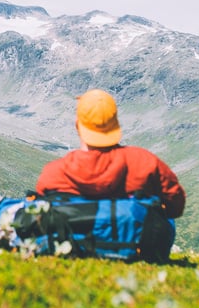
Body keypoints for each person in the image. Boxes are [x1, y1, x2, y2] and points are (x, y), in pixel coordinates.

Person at [36, 89, 186, 220]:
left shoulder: (53, 173)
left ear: (77, 125)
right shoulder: (145, 162)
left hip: (72, 243)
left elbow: (40, 214)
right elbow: (176, 206)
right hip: (136, 243)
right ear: (115, 124)